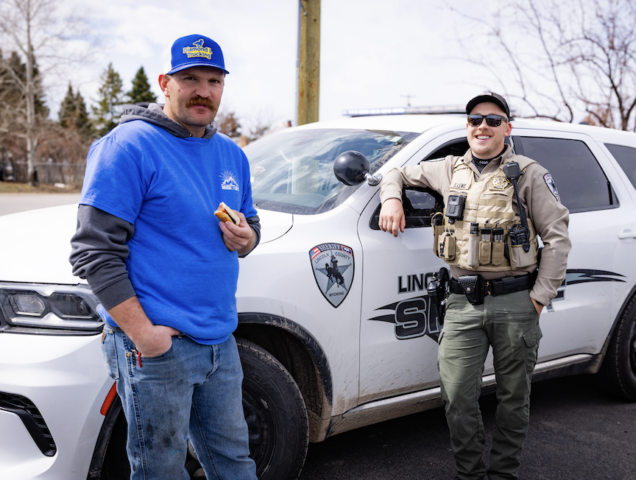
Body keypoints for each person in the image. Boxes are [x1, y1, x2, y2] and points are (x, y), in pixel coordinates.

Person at [70, 34, 259, 479]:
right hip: (158, 349)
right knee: (161, 471)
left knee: (234, 463)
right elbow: (93, 251)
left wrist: (246, 237)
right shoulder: (128, 146)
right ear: (164, 83)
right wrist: (145, 335)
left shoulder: (232, 155)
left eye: (214, 81)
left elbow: (251, 224)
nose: (203, 91)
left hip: (220, 341)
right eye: (189, 78)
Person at [379, 92, 571, 480]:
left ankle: (503, 473)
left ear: (507, 128)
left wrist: (538, 299)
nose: (482, 126)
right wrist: (391, 201)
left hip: (515, 301)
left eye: (493, 120)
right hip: (461, 302)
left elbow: (557, 238)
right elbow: (394, 172)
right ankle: (469, 473)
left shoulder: (528, 173)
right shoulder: (449, 169)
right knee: (455, 395)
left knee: (513, 399)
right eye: (474, 119)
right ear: (467, 126)